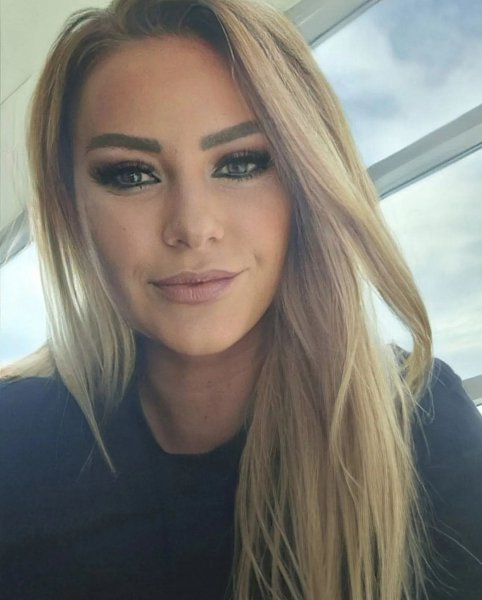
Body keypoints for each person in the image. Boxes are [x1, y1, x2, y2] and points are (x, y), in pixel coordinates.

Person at [1, 0, 481, 598]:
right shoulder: (12, 439)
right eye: (131, 174)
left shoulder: (419, 427)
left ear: (308, 181)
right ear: (70, 207)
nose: (193, 227)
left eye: (241, 163)